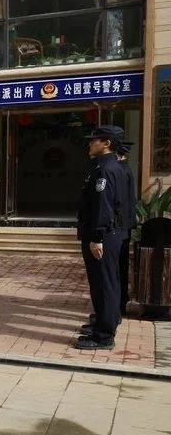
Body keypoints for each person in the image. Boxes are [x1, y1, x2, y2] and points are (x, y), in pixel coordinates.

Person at [77, 126, 128, 350]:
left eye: (94, 140)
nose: (90, 143)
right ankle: (103, 323)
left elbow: (104, 206)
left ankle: (104, 336)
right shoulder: (105, 166)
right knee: (103, 282)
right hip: (107, 233)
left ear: (106, 143)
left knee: (104, 283)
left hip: (103, 234)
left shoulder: (106, 169)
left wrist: (97, 236)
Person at [116, 141, 137, 318]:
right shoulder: (126, 169)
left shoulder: (120, 171)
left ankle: (119, 305)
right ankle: (120, 303)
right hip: (125, 225)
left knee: (117, 268)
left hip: (120, 227)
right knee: (120, 266)